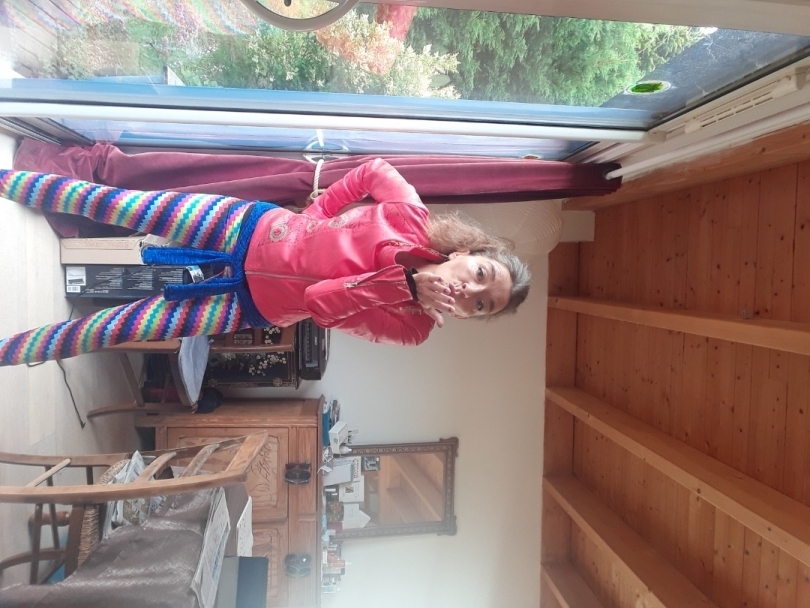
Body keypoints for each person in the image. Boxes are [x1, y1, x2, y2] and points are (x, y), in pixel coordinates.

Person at [0, 158, 530, 366]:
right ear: (467, 253)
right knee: (117, 205)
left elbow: (319, 305)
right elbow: (372, 170)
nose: (471, 292)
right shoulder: (409, 214)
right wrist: (312, 218)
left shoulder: (413, 329)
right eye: (481, 275)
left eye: (482, 305)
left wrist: (403, 286)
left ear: (468, 316)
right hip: (246, 225)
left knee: (113, 329)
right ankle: (9, 181)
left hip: (245, 304)